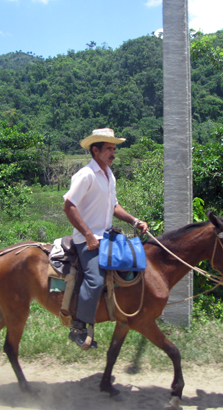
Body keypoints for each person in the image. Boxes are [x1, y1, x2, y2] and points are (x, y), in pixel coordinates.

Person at [63, 128, 148, 348]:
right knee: (95, 279)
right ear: (95, 150)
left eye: (114, 149)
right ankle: (78, 328)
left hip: (106, 236)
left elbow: (114, 206)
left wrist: (134, 221)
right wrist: (88, 235)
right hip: (87, 240)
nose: (113, 153)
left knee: (135, 263)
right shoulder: (86, 175)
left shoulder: (109, 175)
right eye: (109, 149)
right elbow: (69, 206)